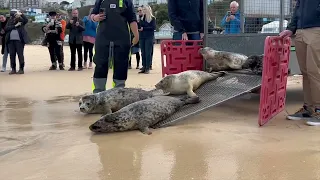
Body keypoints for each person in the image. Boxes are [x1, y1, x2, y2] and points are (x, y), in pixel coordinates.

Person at [279, 0, 320, 126]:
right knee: (306, 72)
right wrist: (291, 28)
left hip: (316, 29)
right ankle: (309, 108)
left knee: (315, 71)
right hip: (300, 31)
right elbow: (297, 9)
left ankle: (318, 109)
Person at [90, 0, 139, 93]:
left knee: (121, 65)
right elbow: (92, 15)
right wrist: (95, 17)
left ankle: (118, 92)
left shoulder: (127, 1)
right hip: (103, 37)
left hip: (122, 37)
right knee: (100, 64)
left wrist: (136, 35)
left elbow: (132, 19)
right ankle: (98, 93)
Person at [4, 9, 29, 75]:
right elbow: (6, 28)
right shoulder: (9, 20)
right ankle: (13, 69)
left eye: (14, 13)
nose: (13, 15)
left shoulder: (20, 20)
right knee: (12, 55)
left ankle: (21, 69)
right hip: (10, 41)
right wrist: (15, 25)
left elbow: (26, 20)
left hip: (19, 41)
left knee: (20, 54)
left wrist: (21, 14)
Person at [138, 5, 156, 74]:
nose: (143, 10)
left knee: (148, 52)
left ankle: (147, 67)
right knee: (143, 52)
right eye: (143, 9)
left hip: (149, 37)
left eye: (144, 9)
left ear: (148, 10)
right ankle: (144, 66)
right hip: (142, 37)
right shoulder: (141, 18)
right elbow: (140, 26)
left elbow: (153, 27)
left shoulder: (152, 18)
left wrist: (144, 28)